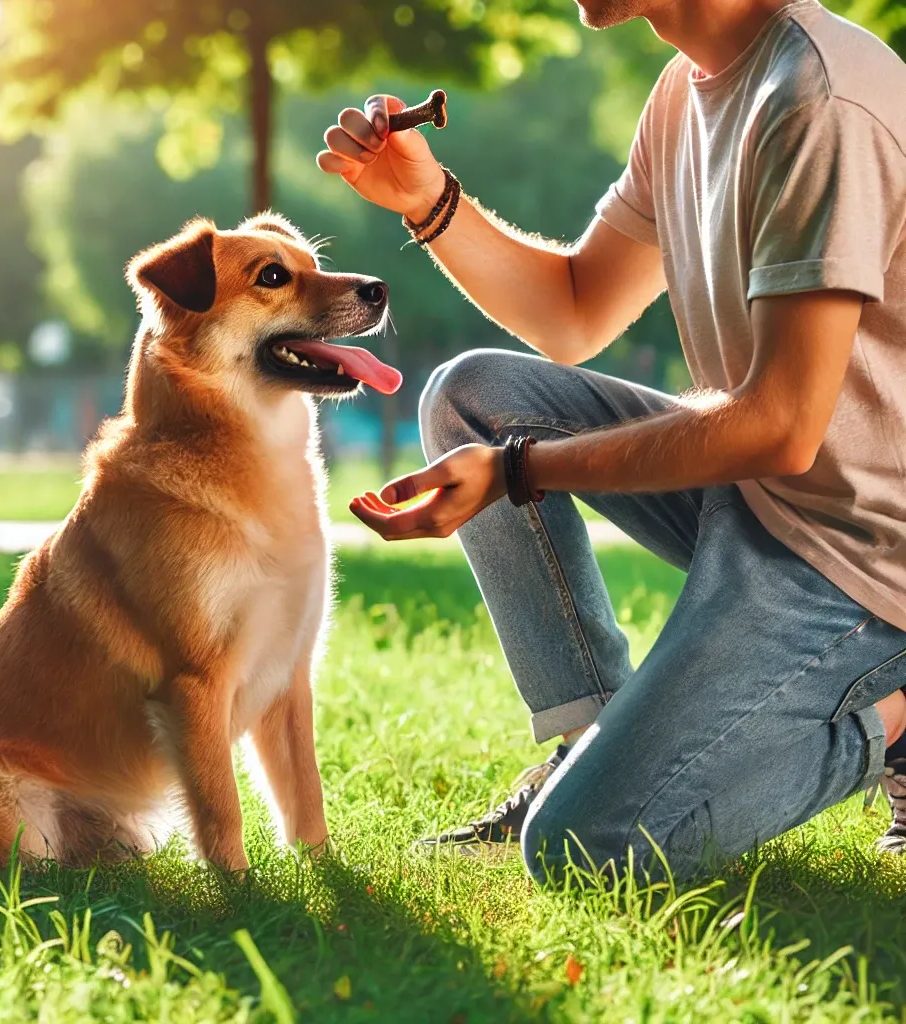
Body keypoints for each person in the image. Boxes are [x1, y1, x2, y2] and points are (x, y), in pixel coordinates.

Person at [317, 0, 906, 882]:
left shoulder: (821, 101)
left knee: (586, 847)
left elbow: (780, 425)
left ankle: (895, 717)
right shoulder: (688, 89)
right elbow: (576, 309)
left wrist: (520, 470)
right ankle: (584, 739)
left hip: (865, 551)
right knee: (477, 397)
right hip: (768, 496)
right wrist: (427, 200)